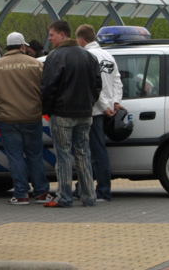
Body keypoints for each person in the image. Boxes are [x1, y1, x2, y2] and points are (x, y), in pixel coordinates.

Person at [0, 32, 53, 205]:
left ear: (7, 47)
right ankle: (41, 192)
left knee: (15, 156)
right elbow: (46, 89)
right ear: (23, 46)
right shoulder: (36, 65)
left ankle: (21, 194)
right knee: (35, 155)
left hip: (6, 119)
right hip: (31, 117)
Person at [41, 20, 102, 208]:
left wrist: (48, 110)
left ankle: (64, 196)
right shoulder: (89, 57)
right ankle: (89, 195)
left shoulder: (55, 57)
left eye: (51, 35)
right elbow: (97, 85)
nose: (50, 39)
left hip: (62, 113)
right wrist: (89, 104)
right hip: (85, 112)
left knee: (64, 154)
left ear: (62, 34)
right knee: (83, 153)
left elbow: (48, 87)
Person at [76, 24, 124, 201]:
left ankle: (102, 190)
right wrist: (116, 102)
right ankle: (82, 187)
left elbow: (93, 87)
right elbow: (117, 80)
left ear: (81, 40)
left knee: (94, 152)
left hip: (95, 111)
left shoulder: (88, 56)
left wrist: (104, 106)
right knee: (95, 151)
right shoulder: (108, 56)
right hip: (108, 109)